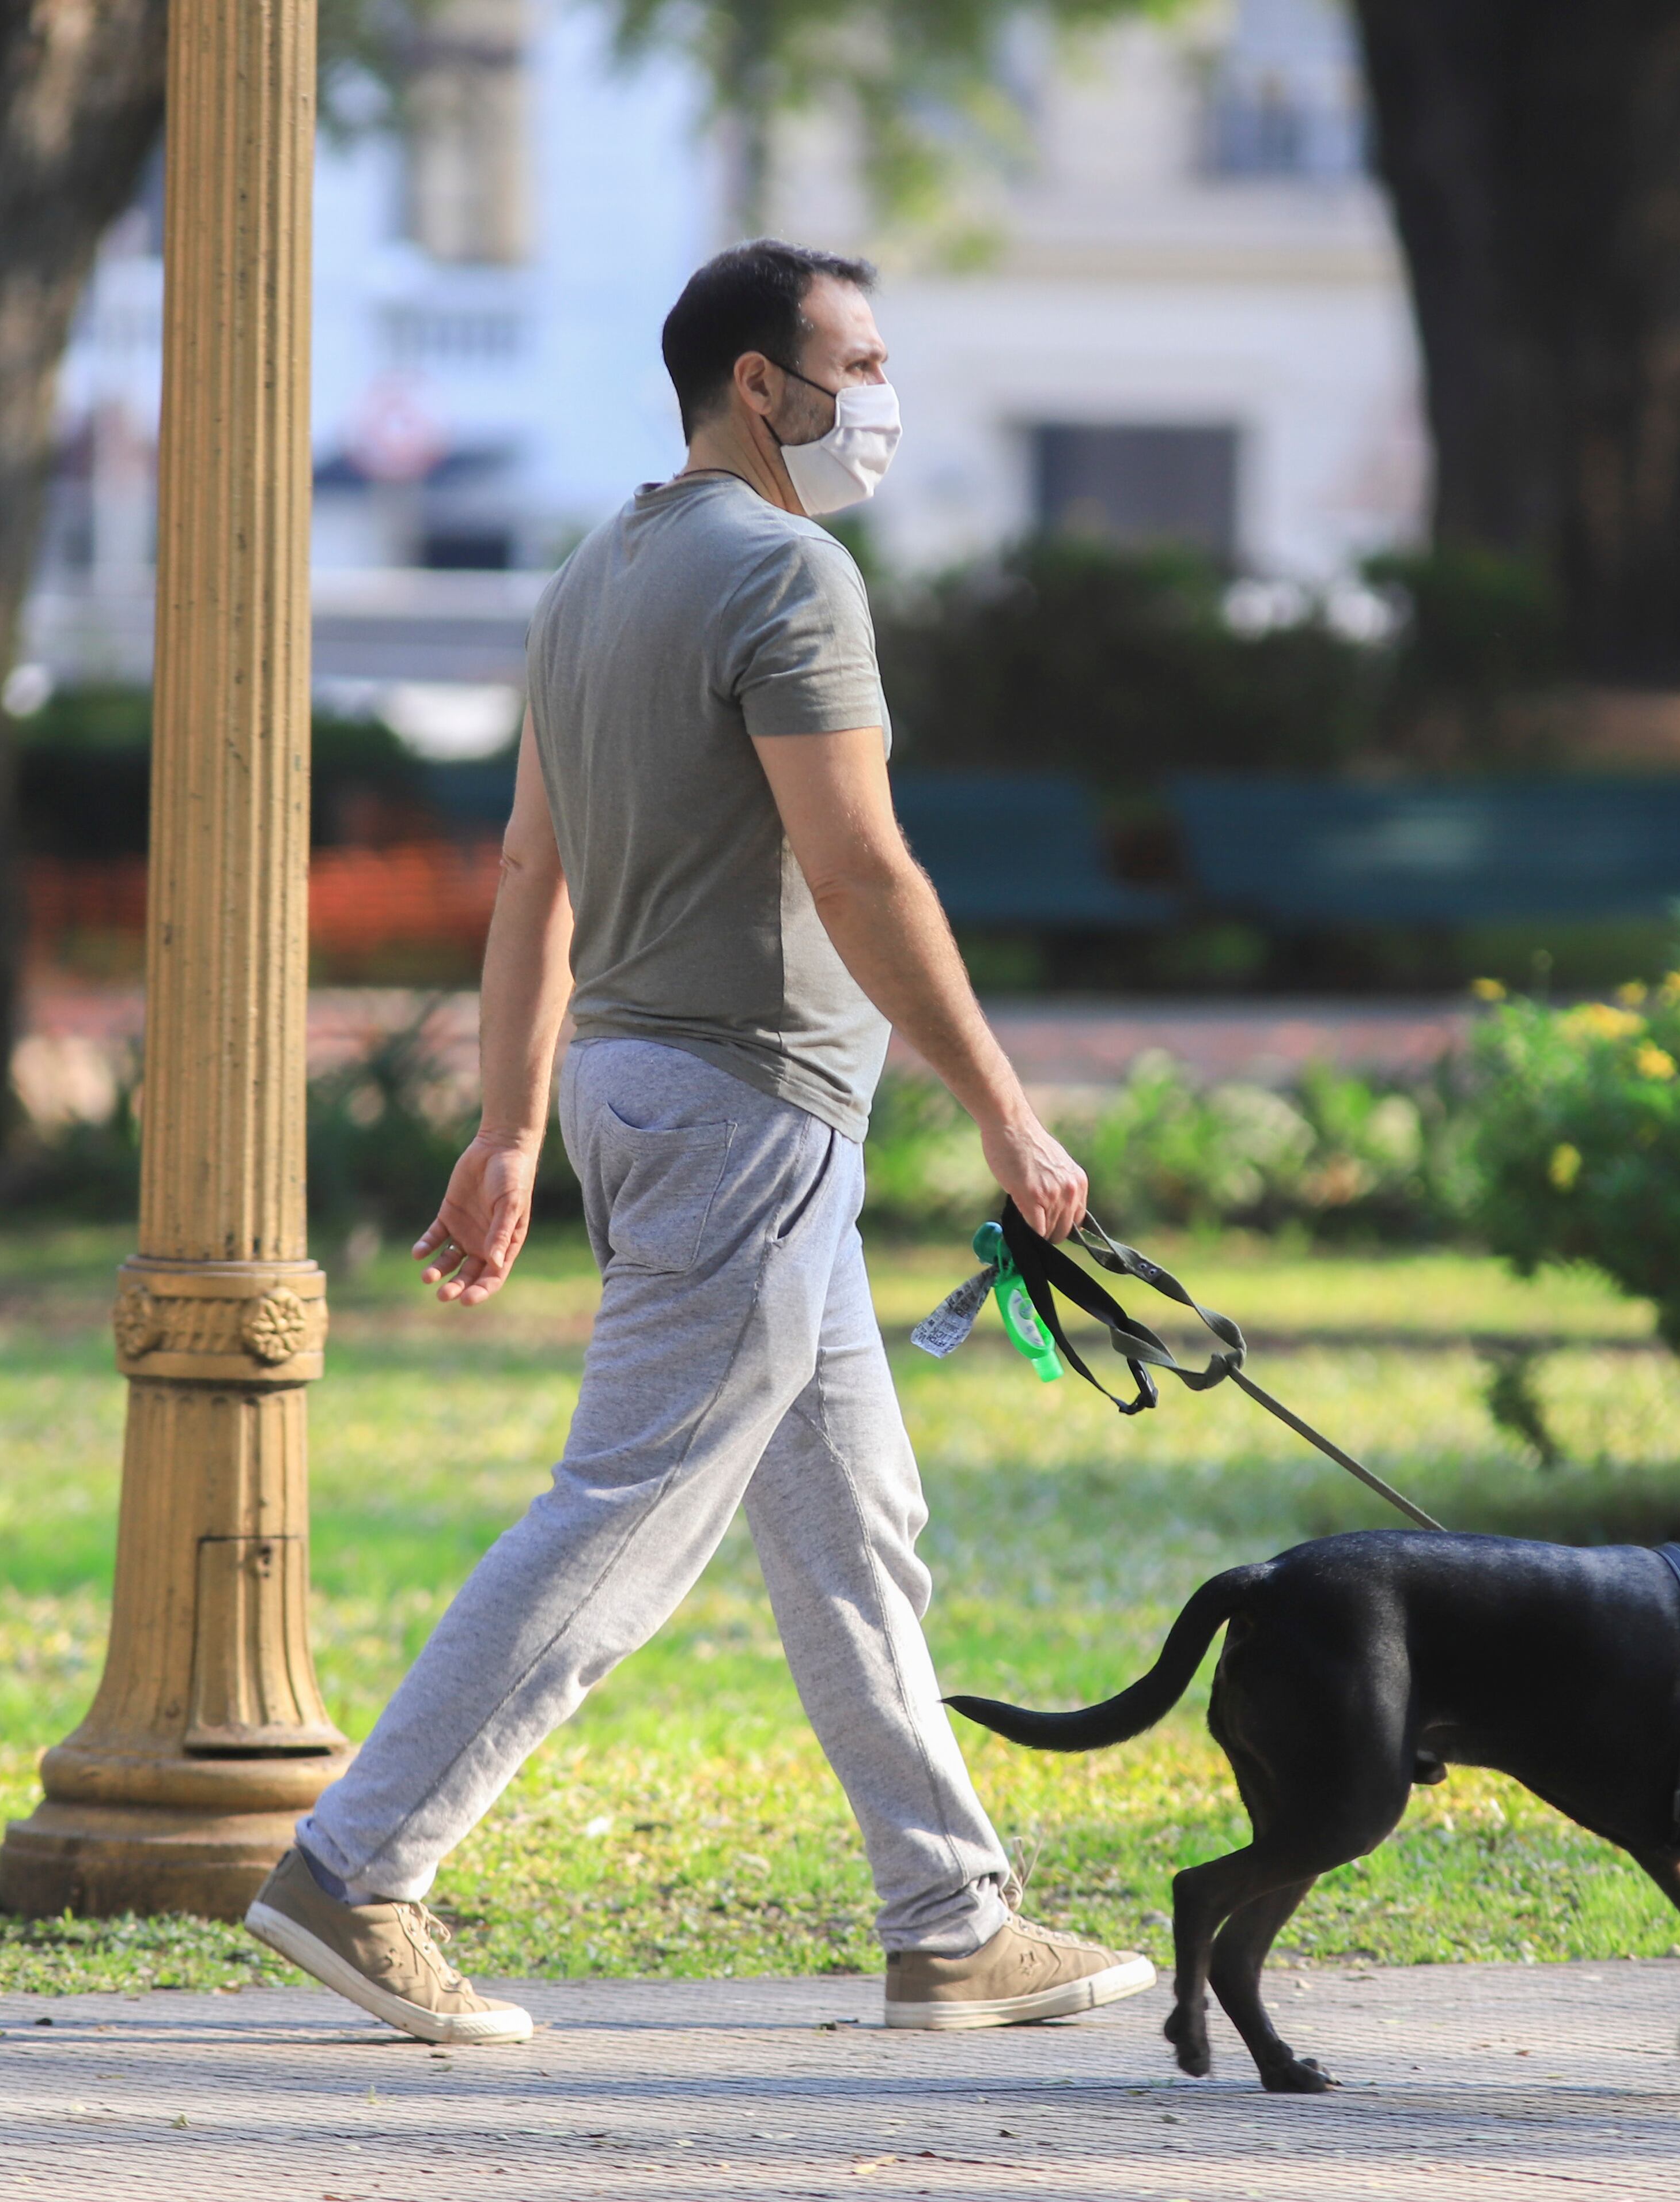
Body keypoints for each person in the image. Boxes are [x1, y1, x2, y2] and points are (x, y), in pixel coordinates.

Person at [242, 241, 1153, 2046]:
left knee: (852, 1524)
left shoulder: (595, 574)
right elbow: (862, 865)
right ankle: (357, 1868)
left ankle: (950, 1918)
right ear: (762, 383)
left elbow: (528, 874)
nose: (879, 398)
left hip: (653, 1098)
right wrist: (1006, 1108)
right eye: (859, 362)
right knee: (630, 1515)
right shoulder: (791, 574)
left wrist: (511, 1128)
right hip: (746, 1113)